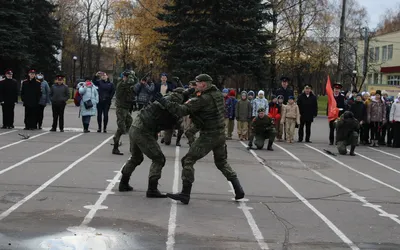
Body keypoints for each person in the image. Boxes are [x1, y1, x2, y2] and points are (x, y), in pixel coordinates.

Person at [154, 74, 244, 204]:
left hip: (209, 135)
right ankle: (238, 189)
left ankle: (185, 194)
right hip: (220, 134)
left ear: (204, 84)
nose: (195, 86)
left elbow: (181, 110)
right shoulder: (217, 94)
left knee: (187, 160)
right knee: (221, 162)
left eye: (197, 83)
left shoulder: (203, 99)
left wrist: (164, 102)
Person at [119, 89, 190, 197]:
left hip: (136, 126)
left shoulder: (165, 99)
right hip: (143, 131)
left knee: (136, 158)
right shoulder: (173, 104)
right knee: (158, 159)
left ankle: (123, 183)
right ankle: (152, 189)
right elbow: (173, 121)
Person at [112, 70, 137, 155]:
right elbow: (129, 83)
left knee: (130, 124)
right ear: (125, 77)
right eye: (129, 77)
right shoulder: (121, 84)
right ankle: (115, 145)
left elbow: (134, 82)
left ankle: (131, 147)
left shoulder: (127, 84)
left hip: (126, 108)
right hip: (121, 108)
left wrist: (133, 75)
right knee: (121, 128)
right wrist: (130, 77)